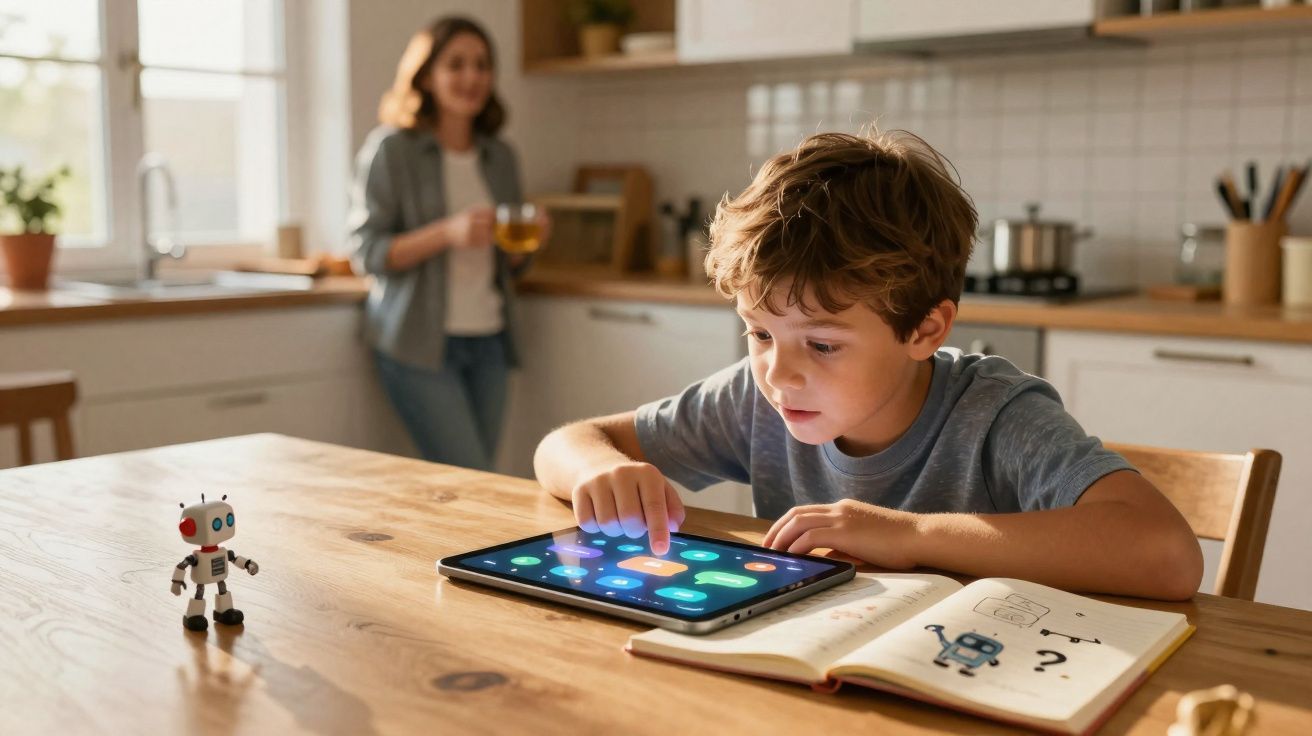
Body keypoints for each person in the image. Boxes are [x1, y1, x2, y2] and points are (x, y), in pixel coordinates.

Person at [533, 130, 1203, 600]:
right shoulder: (755, 399)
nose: (780, 373)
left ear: (925, 329)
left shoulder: (996, 416)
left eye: (822, 344)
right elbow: (563, 445)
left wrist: (909, 535)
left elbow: (1168, 555)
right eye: (759, 333)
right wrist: (600, 468)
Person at [350, 16, 546, 470]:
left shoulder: (501, 155)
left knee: (482, 478)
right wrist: (448, 232)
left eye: (481, 65)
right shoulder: (391, 149)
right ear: (426, 75)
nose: (471, 77)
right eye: (456, 64)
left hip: (491, 340)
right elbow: (367, 252)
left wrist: (526, 245)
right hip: (418, 344)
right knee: (470, 477)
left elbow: (511, 264)